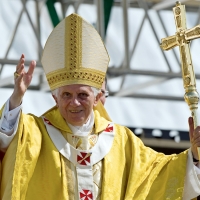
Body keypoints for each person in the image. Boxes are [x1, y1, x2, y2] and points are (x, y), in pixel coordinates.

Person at [0, 13, 200, 200]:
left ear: (97, 98)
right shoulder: (36, 133)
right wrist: (16, 98)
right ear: (55, 98)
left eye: (82, 95)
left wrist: (195, 155)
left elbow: (160, 175)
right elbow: (6, 140)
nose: (74, 102)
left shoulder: (121, 141)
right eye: (67, 95)